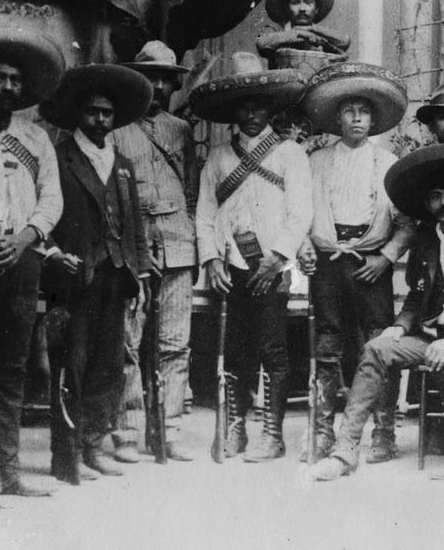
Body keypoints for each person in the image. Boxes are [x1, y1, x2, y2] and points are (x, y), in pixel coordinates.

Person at [310, 143, 444, 481]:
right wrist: (401, 327)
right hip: (435, 337)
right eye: (435, 196)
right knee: (376, 347)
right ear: (427, 203)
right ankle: (345, 451)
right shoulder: (424, 238)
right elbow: (417, 298)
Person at [190, 55, 312, 462]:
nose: (253, 114)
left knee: (273, 348)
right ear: (234, 112)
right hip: (233, 268)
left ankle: (271, 433)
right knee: (237, 348)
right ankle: (236, 427)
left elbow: (300, 213)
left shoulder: (290, 153)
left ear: (272, 108)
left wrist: (276, 258)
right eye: (244, 106)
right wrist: (211, 260)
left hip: (272, 268)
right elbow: (206, 213)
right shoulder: (219, 158)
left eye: (260, 105)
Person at [41, 63, 154, 482]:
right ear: (78, 114)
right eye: (92, 112)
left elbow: (134, 226)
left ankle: (92, 444)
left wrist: (140, 275)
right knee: (72, 362)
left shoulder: (122, 163)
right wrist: (53, 252)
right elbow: (45, 214)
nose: (100, 120)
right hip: (72, 276)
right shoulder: (59, 157)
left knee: (108, 364)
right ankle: (65, 455)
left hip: (116, 274)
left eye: (107, 113)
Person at [296, 63, 414, 463]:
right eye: (349, 111)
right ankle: (323, 433)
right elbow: (301, 213)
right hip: (329, 263)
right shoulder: (316, 161)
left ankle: (384, 433)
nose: (357, 118)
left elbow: (405, 222)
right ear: (338, 117)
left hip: (371, 265)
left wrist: (386, 257)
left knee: (380, 342)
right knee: (328, 344)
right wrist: (303, 245)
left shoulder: (388, 163)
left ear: (374, 119)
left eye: (364, 111)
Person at [0, 27, 63, 497]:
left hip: (22, 258)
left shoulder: (36, 138)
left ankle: (8, 472)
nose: (7, 87)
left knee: (13, 365)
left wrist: (26, 238)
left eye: (15, 80)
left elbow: (51, 200)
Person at [107, 41, 197, 463]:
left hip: (178, 243)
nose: (159, 86)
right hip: (134, 245)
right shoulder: (115, 128)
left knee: (175, 342)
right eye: (151, 77)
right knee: (128, 340)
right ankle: (125, 428)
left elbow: (191, 189)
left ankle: (170, 428)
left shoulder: (181, 130)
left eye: (167, 79)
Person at [255, 0, 351, 66]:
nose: (302, 9)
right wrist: (296, 34)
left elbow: (344, 42)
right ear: (287, 8)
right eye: (296, 2)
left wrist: (310, 31)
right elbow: (261, 44)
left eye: (308, 2)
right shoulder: (277, 34)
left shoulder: (322, 35)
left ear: (316, 8)